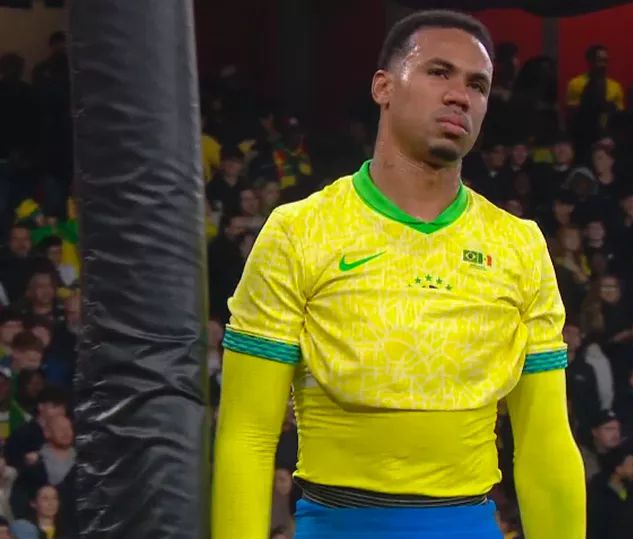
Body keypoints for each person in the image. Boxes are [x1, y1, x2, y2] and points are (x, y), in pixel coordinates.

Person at [212, 10, 584, 539]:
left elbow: (546, 444)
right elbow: (247, 437)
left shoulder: (518, 246)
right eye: (439, 72)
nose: (460, 95)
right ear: (383, 87)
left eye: (477, 85)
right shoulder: (300, 232)